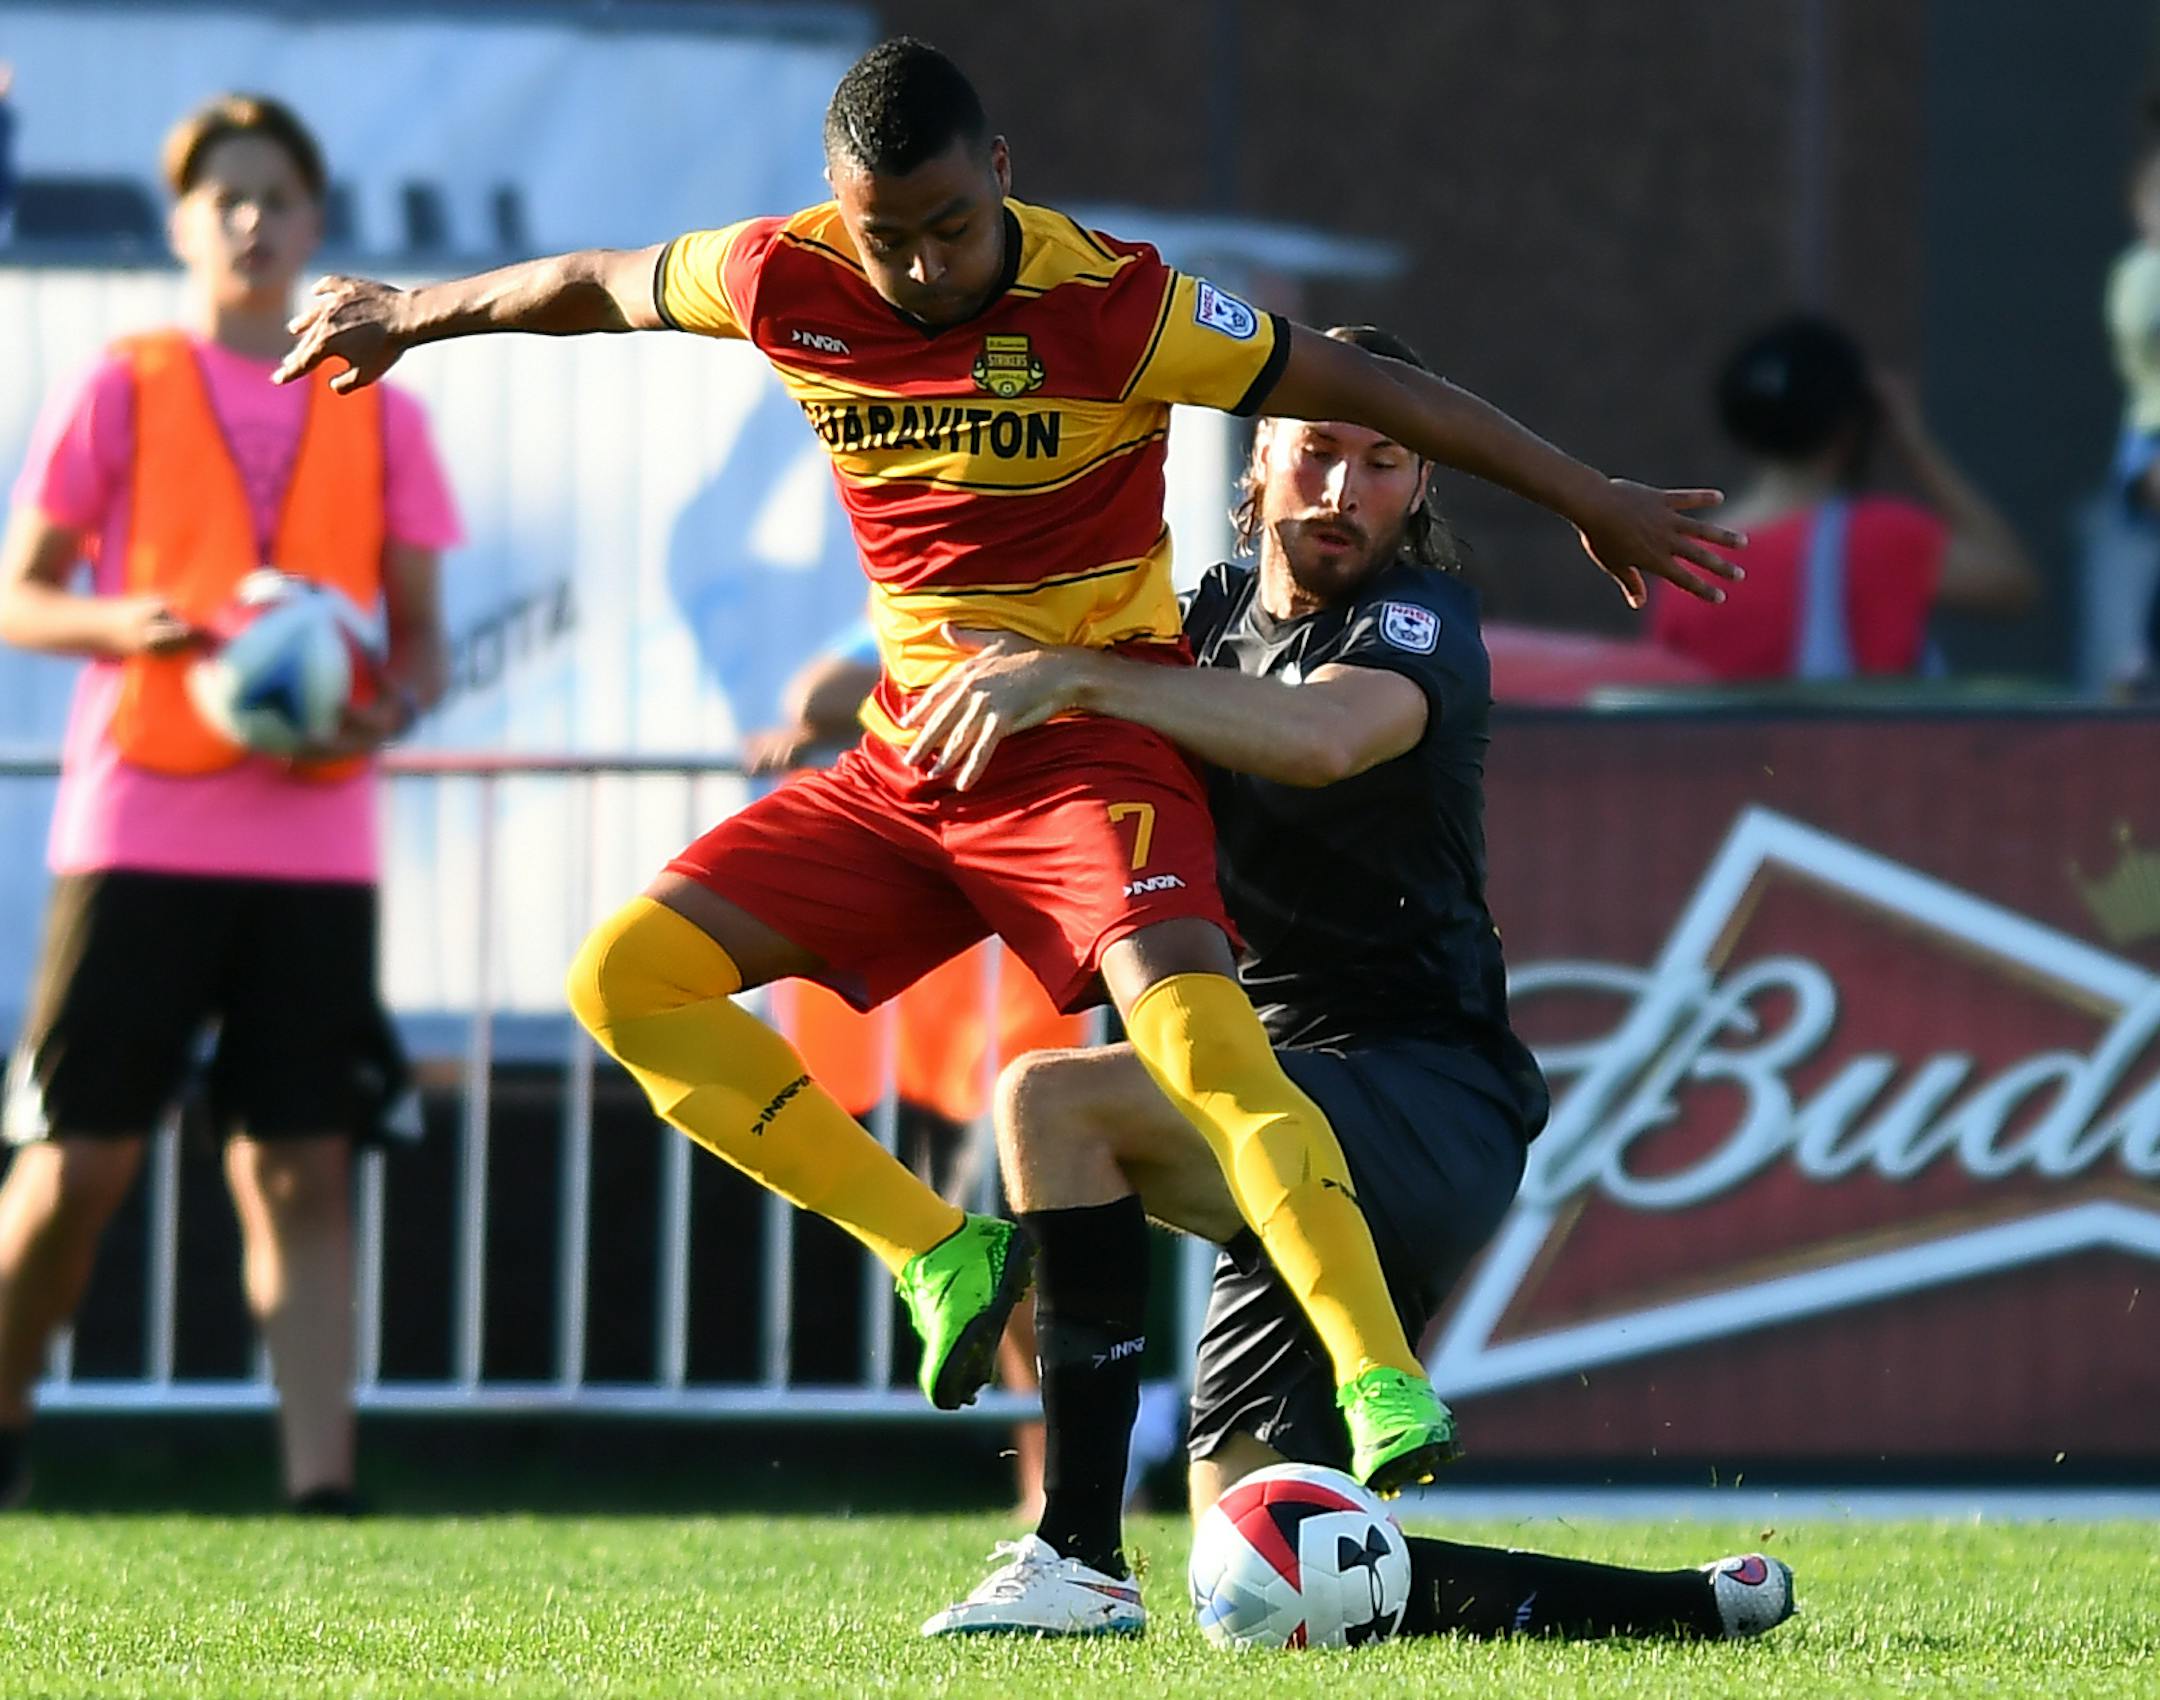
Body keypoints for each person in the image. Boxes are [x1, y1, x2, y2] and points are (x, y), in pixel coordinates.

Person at [274, 37, 1739, 1492]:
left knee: (1196, 1048)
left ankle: (1379, 1374)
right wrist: (413, 313)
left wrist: (1589, 496)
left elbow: (1366, 385)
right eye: (884, 238)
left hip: (1090, 747)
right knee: (626, 981)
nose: (915, 268)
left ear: (1003, 177)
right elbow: (592, 282)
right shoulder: (784, 275)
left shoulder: (1120, 303)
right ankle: (935, 1250)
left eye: (948, 229)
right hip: (918, 757)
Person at [914, 326, 1793, 1641]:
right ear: (1257, 460)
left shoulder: (1420, 623)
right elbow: (1007, 658)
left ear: (1422, 485)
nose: (1344, 488)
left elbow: (1322, 738)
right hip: (1271, 1115)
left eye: (1383, 461)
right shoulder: (1199, 617)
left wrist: (1081, 681)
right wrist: (883, 691)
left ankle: (1076, 1550)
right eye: (1317, 450)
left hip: (1422, 1103)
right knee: (1260, 1561)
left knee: (1055, 1101)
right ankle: (1673, 1613)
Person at [0, 95, 458, 1510]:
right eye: (225, 198)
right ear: (185, 225)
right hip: (139, 824)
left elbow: (423, 640)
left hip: (315, 839)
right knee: (79, 1167)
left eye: (278, 196)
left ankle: (322, 1491)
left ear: (319, 224)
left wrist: (389, 700)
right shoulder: (124, 382)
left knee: (301, 1168)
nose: (253, 220)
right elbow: (20, 595)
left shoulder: (383, 403)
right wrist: (123, 620)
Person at [1652, 314, 2034, 682]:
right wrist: (1915, 442)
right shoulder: (1880, 536)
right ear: (1852, 423)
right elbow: (2011, 580)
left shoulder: (1688, 562)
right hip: (1866, 748)